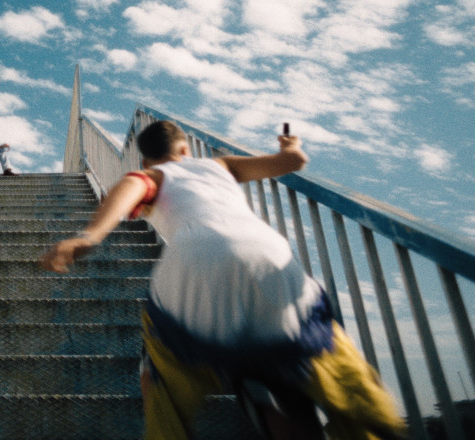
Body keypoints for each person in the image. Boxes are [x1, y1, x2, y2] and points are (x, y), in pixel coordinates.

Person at [40, 120, 406, 440]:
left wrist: (87, 237)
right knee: (318, 354)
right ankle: (331, 409)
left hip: (196, 264)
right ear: (185, 149)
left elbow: (128, 194)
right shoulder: (220, 165)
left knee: (163, 370)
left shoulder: (149, 176)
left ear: (146, 159)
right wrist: (290, 146)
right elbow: (293, 163)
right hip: (268, 255)